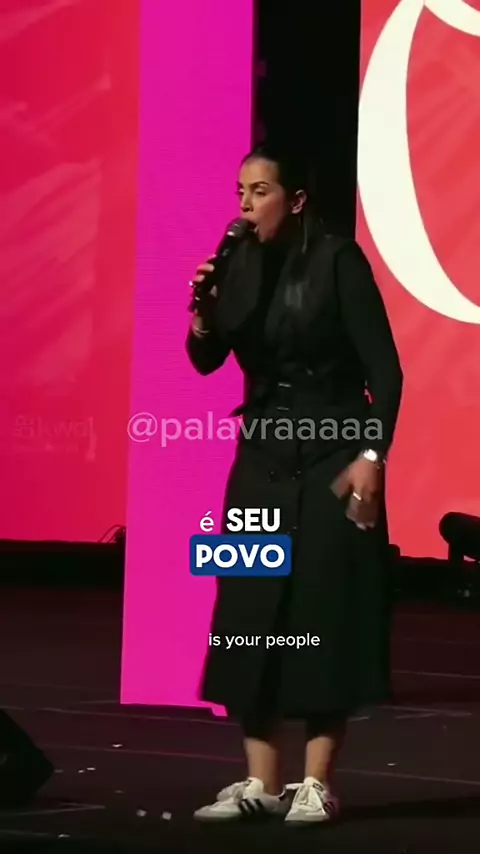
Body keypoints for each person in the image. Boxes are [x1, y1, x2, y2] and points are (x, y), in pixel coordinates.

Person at [185, 142, 403, 825]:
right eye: (240, 192)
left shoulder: (338, 261)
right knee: (249, 610)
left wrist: (372, 456)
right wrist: (202, 314)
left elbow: (386, 371)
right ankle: (259, 781)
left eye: (261, 192)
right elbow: (206, 359)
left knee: (323, 609)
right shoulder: (239, 265)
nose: (246, 206)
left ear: (297, 199)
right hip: (262, 456)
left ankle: (315, 782)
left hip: (334, 456)